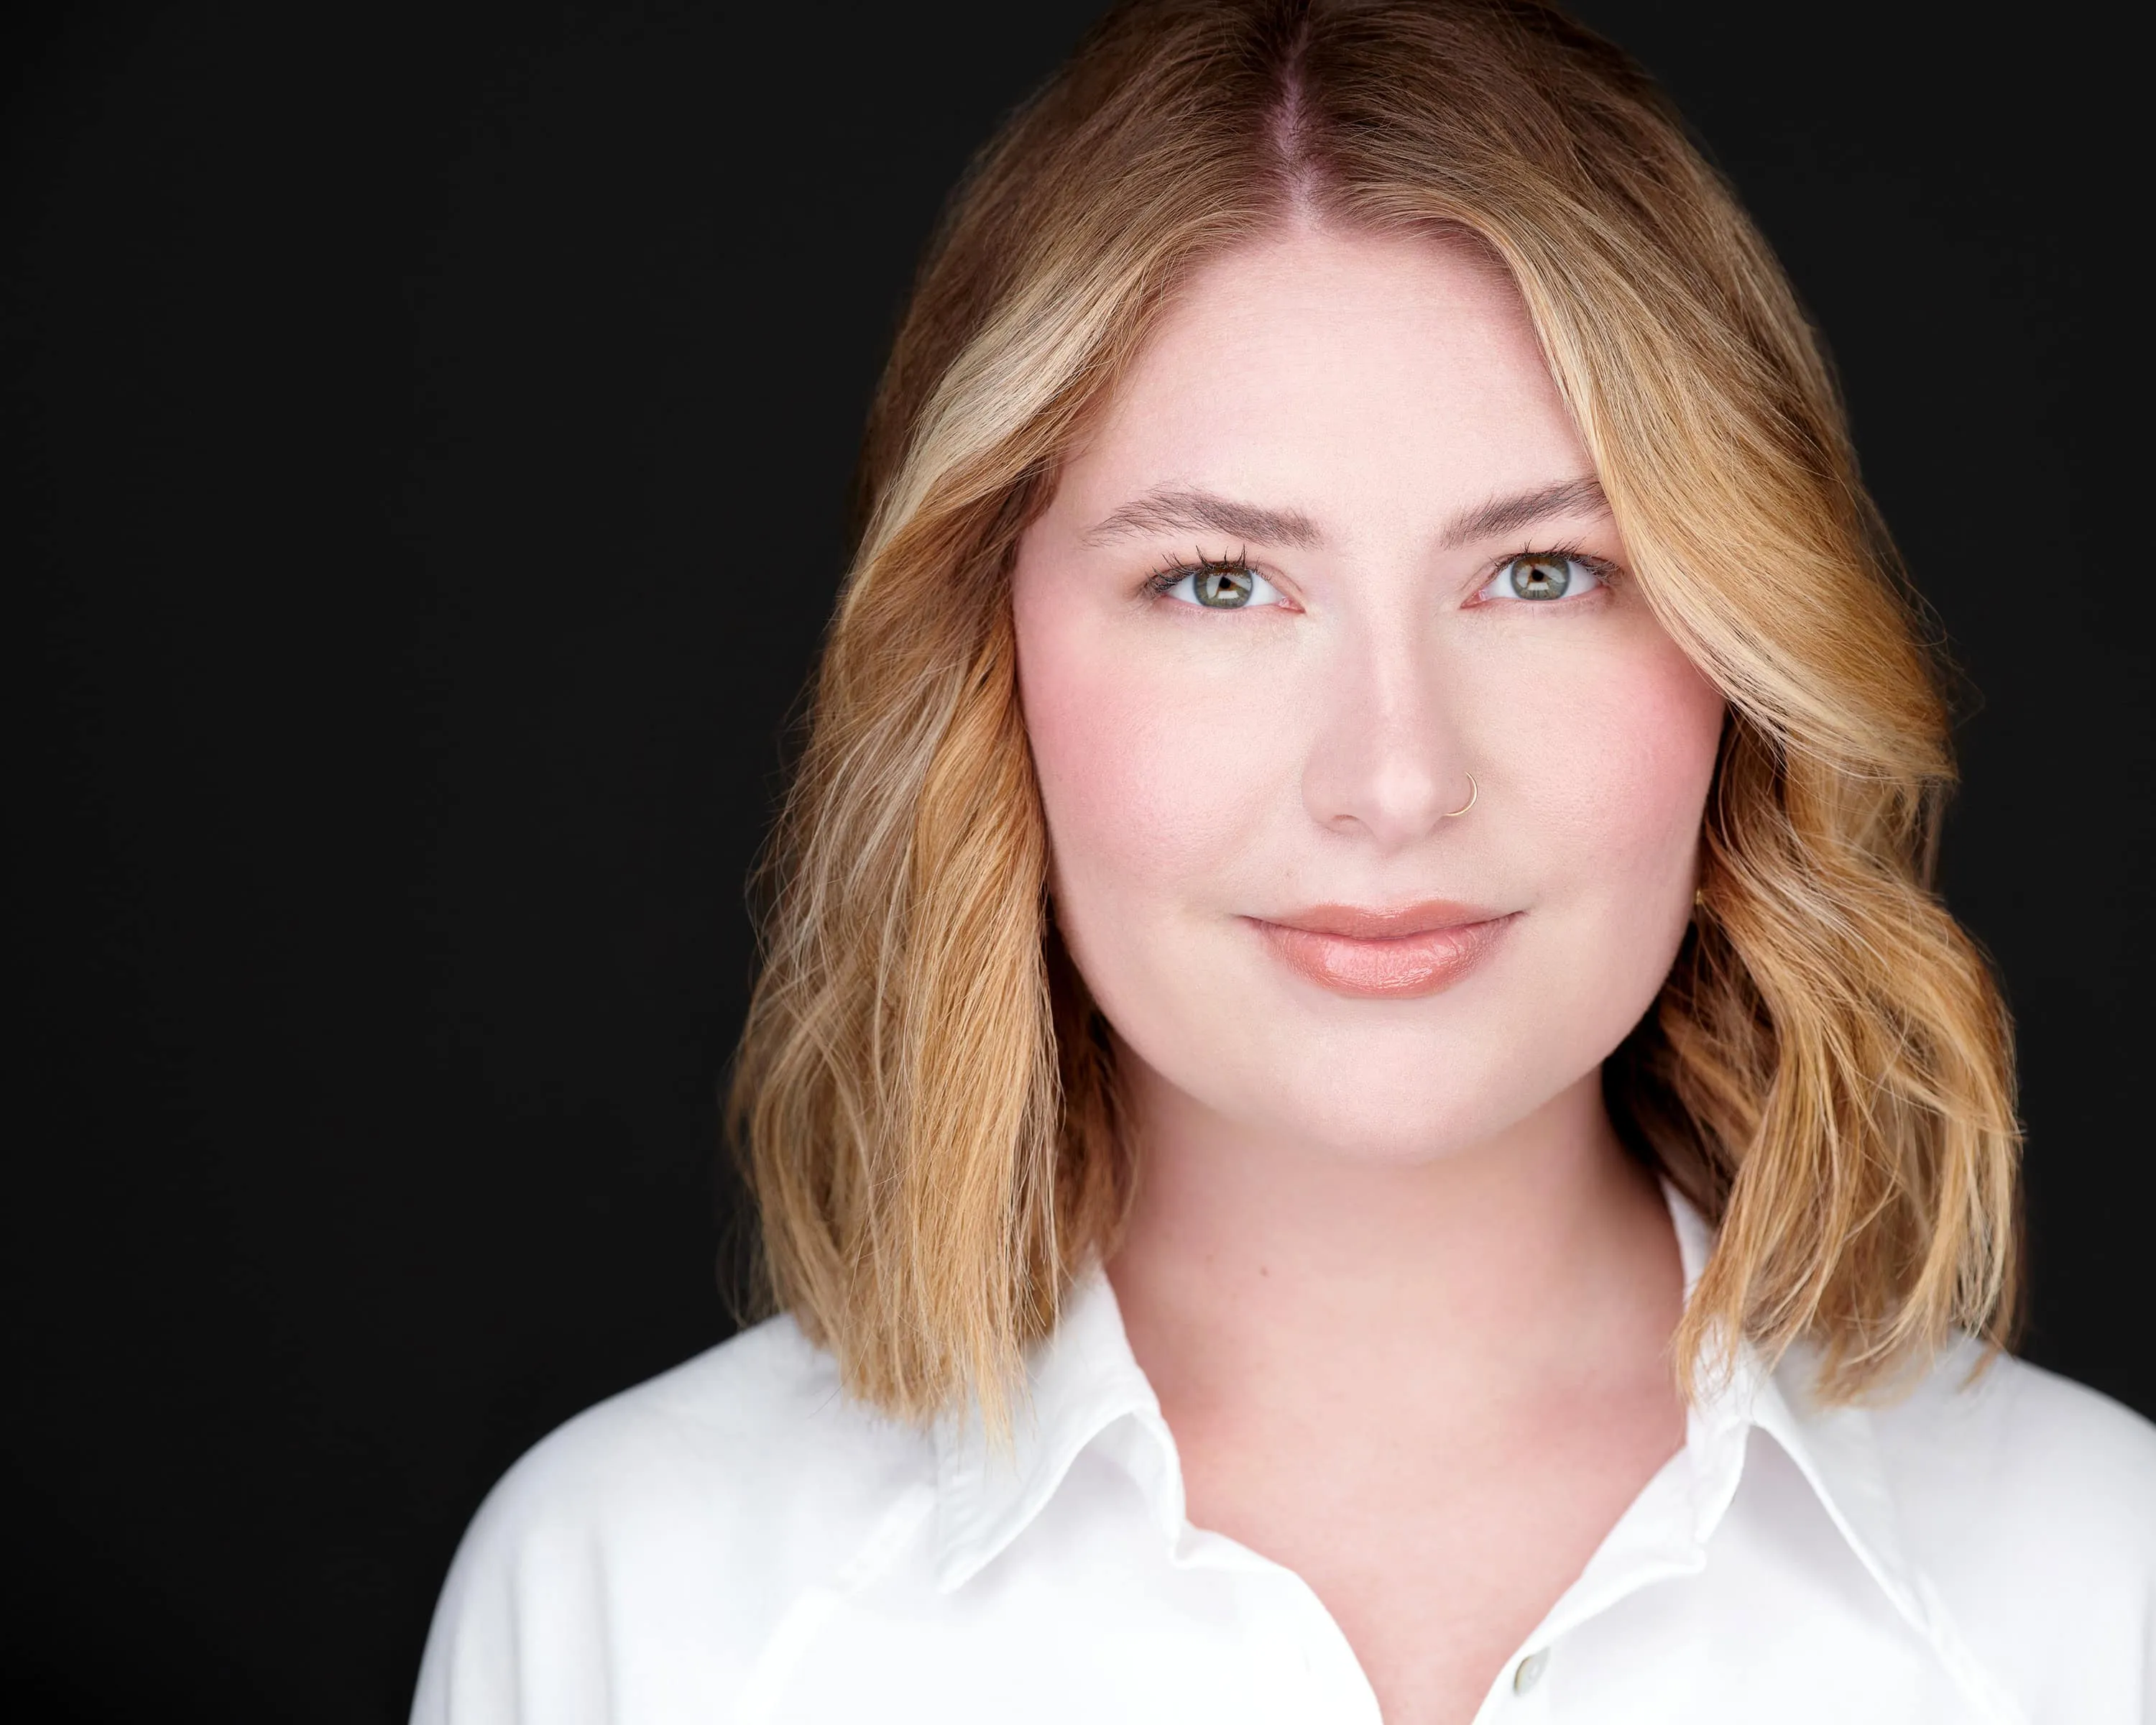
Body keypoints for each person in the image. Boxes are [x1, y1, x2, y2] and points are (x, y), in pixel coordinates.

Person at [409, 2, 2156, 1719]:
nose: (1394, 782)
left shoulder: (2103, 1599)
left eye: (1543, 573)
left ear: (1743, 659)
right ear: (983, 660)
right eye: (1221, 583)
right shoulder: (637, 1609)